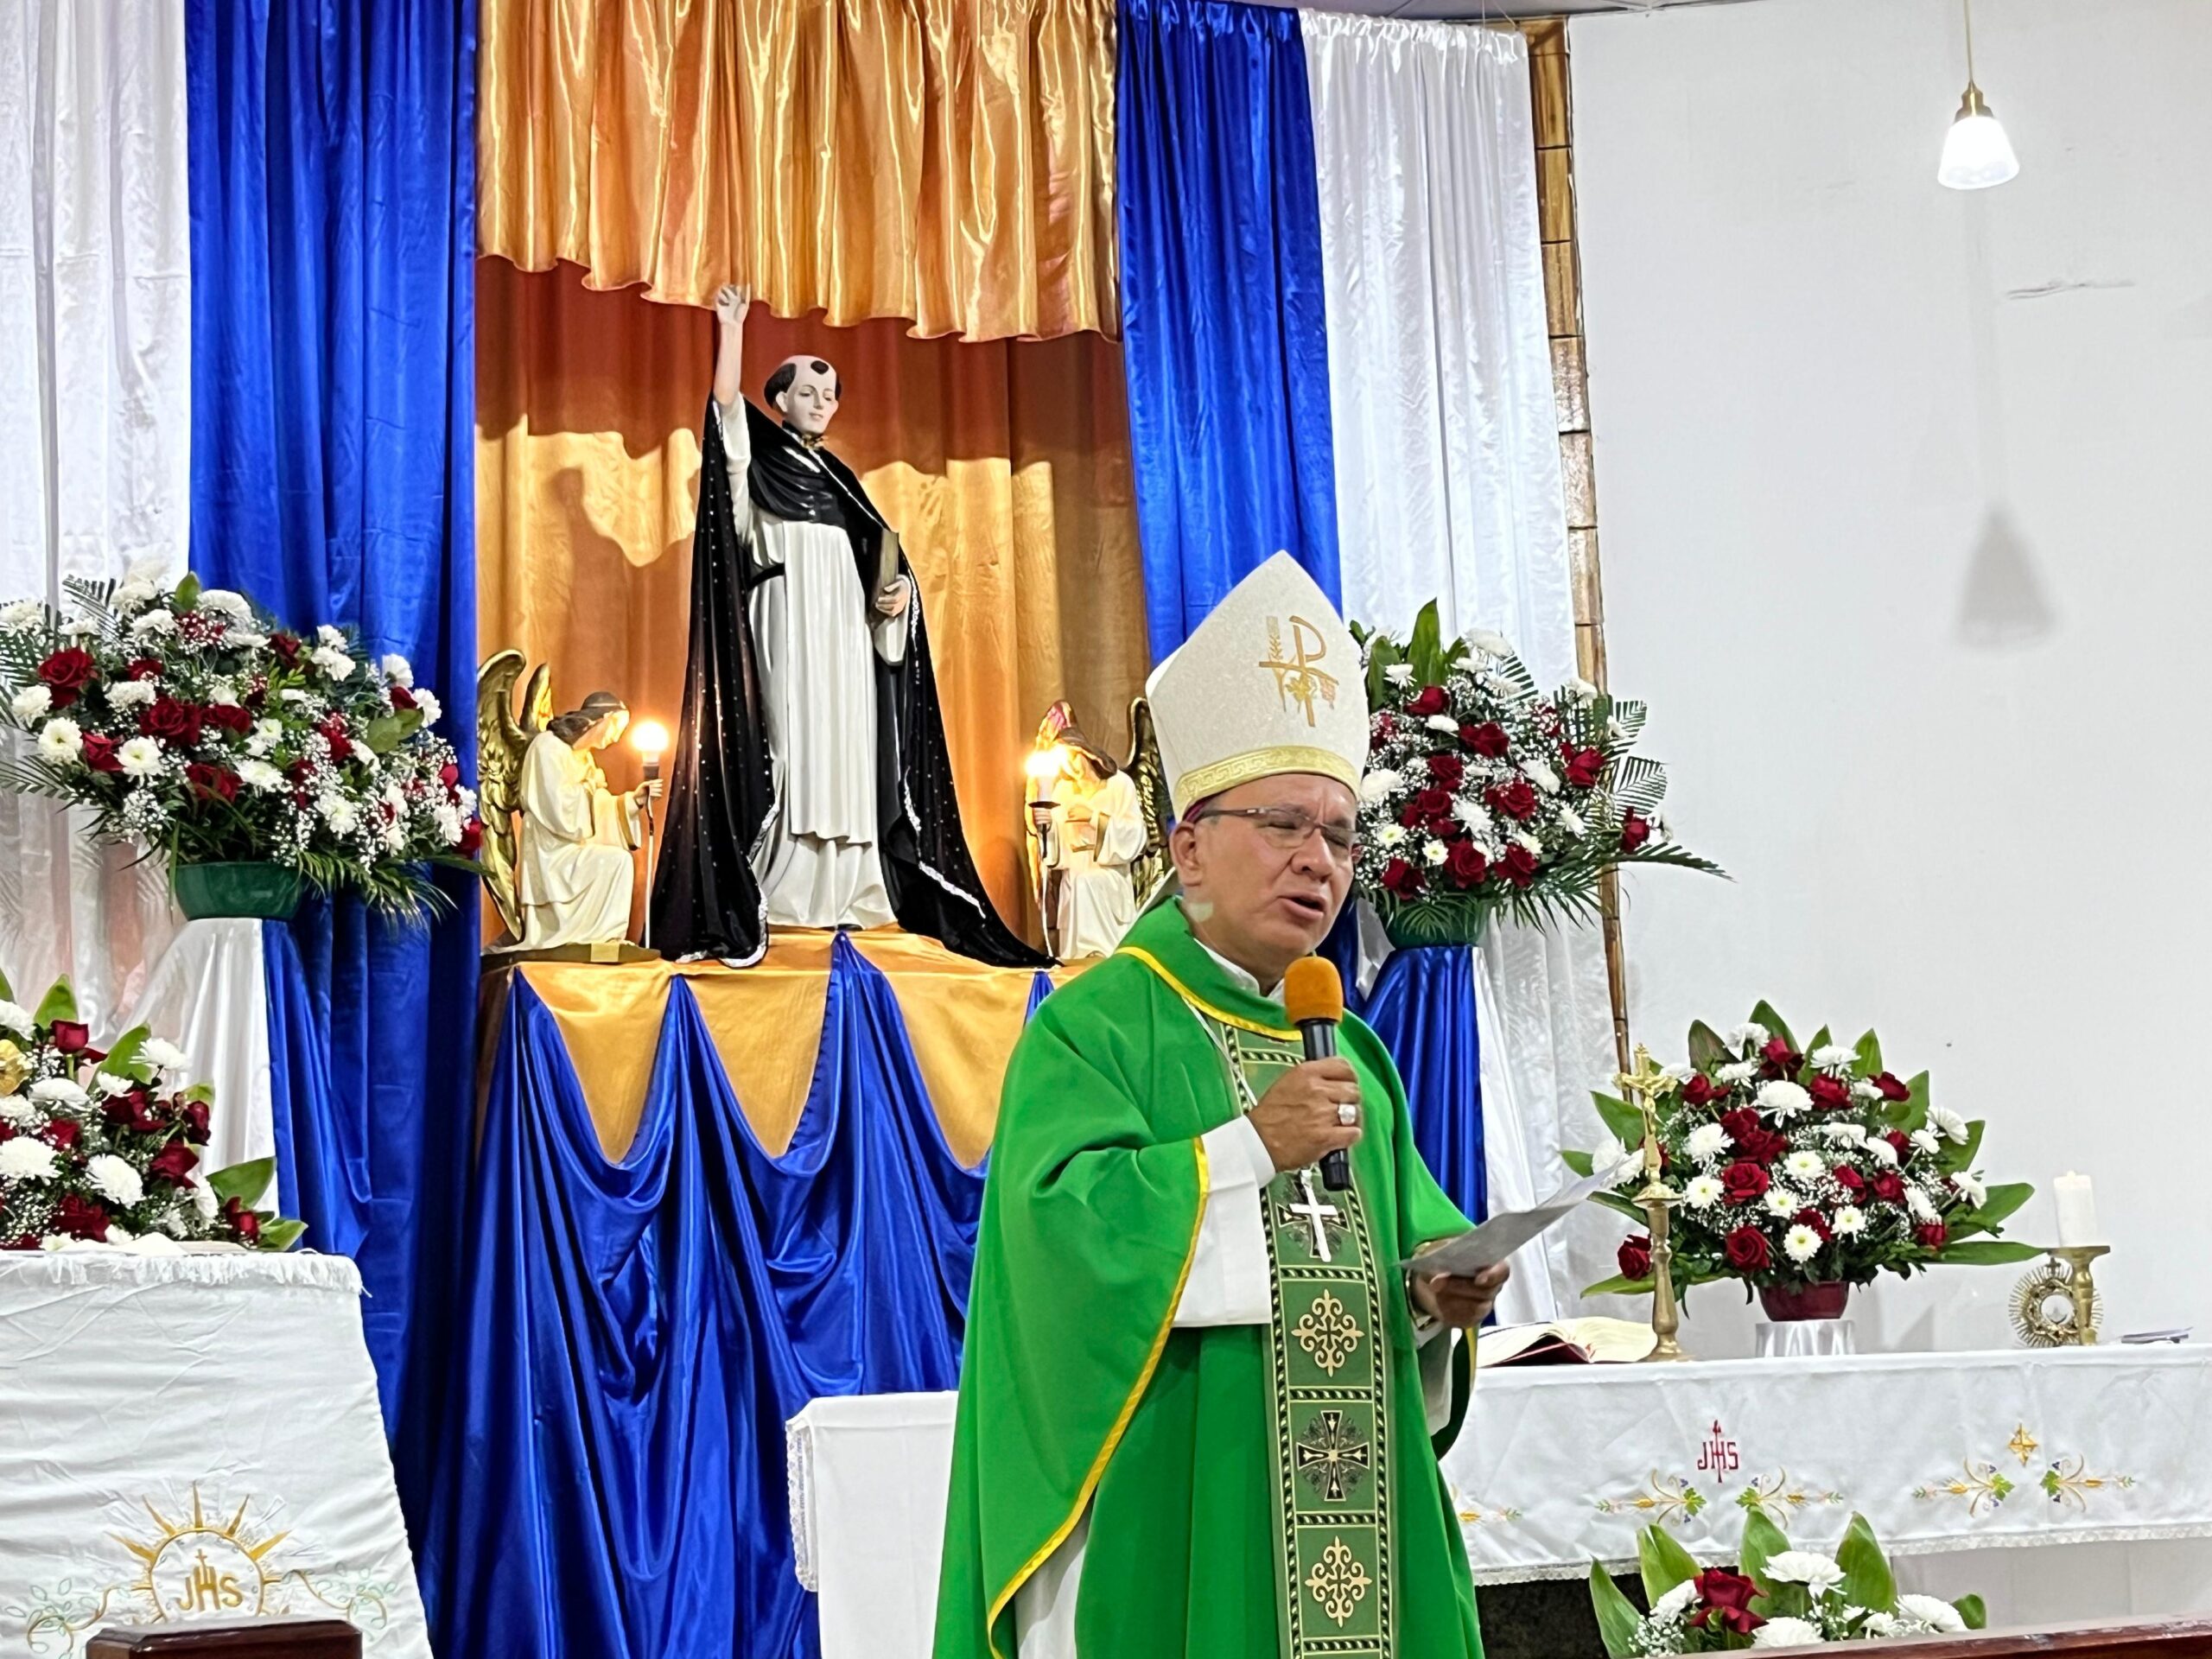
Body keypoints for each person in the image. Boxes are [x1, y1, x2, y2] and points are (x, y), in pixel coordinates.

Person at [935, 554, 1506, 1659]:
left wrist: (1441, 1290)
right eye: (1285, 823)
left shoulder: (1355, 1051)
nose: (1321, 862)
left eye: (1341, 836)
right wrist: (1248, 1147)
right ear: (1188, 847)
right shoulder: (1097, 1025)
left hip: (1362, 1510)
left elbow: (1404, 1250)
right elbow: (1055, 1247)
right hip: (1186, 1498)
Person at [648, 284, 1043, 969]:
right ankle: (785, 884)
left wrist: (895, 600)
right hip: (785, 619)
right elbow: (725, 426)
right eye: (808, 394)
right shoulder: (761, 465)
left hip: (846, 637)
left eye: (829, 396)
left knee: (851, 752)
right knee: (793, 744)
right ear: (779, 400)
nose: (822, 404)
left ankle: (857, 888)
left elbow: (882, 571)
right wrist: (732, 333)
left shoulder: (841, 479)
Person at [515, 691, 662, 950]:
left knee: (620, 861)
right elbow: (557, 810)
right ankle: (590, 937)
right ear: (601, 718)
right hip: (550, 851)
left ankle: (605, 939)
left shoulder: (584, 757)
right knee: (617, 862)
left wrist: (632, 801)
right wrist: (588, 786)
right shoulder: (547, 747)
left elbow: (597, 805)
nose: (616, 736)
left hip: (571, 846)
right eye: (617, 727)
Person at [1033, 719, 1147, 960]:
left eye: (1073, 757)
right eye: (1064, 762)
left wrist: (1095, 818)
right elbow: (1055, 855)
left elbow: (1136, 834)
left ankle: (1099, 952)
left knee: (1087, 882)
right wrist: (1046, 826)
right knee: (1076, 882)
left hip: (1109, 874)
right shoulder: (1063, 790)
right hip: (1075, 873)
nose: (1071, 767)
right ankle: (1078, 958)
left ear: (1086, 753)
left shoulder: (1119, 785)